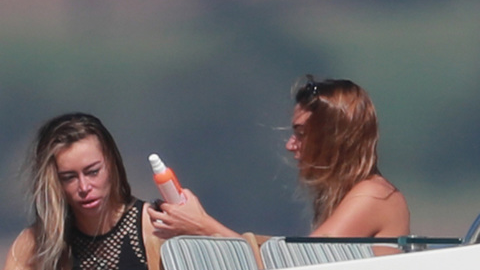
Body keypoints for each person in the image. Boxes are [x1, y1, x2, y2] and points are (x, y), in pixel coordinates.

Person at [147, 76, 410, 241]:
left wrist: (204, 227)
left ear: (335, 138)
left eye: (302, 134)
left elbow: (302, 264)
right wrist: (202, 227)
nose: (290, 145)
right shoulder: (355, 194)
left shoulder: (373, 196)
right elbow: (284, 253)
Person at [0, 112, 156, 270]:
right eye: (69, 177)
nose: (84, 187)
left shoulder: (151, 225)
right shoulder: (39, 240)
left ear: (112, 165)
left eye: (93, 172)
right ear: (54, 182)